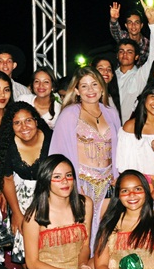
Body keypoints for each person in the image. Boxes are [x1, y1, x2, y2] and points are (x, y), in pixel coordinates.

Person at [21, 154, 101, 269]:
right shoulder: (33, 216)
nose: (64, 181)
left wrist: (82, 267)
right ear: (45, 180)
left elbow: (85, 246)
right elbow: (32, 264)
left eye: (68, 175)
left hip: (77, 266)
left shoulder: (85, 204)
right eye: (56, 177)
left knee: (107, 261)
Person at [50, 66, 121, 253]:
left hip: (108, 182)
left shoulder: (111, 112)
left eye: (94, 84)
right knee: (82, 232)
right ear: (76, 91)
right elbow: (58, 152)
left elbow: (119, 148)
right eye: (84, 86)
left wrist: (117, 176)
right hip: (81, 181)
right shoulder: (69, 114)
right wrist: (71, 183)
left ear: (102, 87)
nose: (90, 90)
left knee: (106, 233)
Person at [0, 102, 52, 269]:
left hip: (51, 192)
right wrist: (16, 213)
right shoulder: (7, 146)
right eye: (17, 123)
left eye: (28, 120)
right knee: (23, 230)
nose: (24, 127)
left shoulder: (52, 138)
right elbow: (7, 179)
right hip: (23, 194)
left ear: (36, 121)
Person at [116, 80, 154, 198]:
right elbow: (122, 164)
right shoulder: (130, 127)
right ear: (145, 98)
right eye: (153, 96)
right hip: (136, 185)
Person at [116, 3, 154, 123]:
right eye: (121, 51)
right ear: (117, 55)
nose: (125, 54)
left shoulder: (140, 77)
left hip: (130, 128)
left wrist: (152, 22)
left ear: (137, 56)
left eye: (129, 52)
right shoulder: (109, 76)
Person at [107, 3, 150, 68]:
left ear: (141, 25)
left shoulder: (147, 44)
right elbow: (115, 30)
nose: (133, 25)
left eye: (136, 22)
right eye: (130, 22)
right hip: (121, 72)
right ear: (126, 25)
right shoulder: (123, 37)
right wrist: (113, 19)